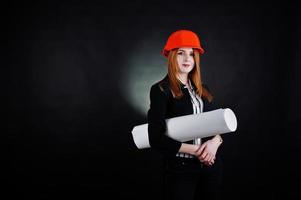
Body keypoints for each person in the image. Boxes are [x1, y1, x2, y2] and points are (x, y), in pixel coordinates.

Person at [147, 30, 224, 200]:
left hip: (211, 167)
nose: (187, 59)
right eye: (181, 53)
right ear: (171, 56)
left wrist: (215, 143)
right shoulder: (161, 90)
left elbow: (216, 125)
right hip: (180, 169)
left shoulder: (204, 90)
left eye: (191, 54)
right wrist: (197, 151)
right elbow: (155, 138)